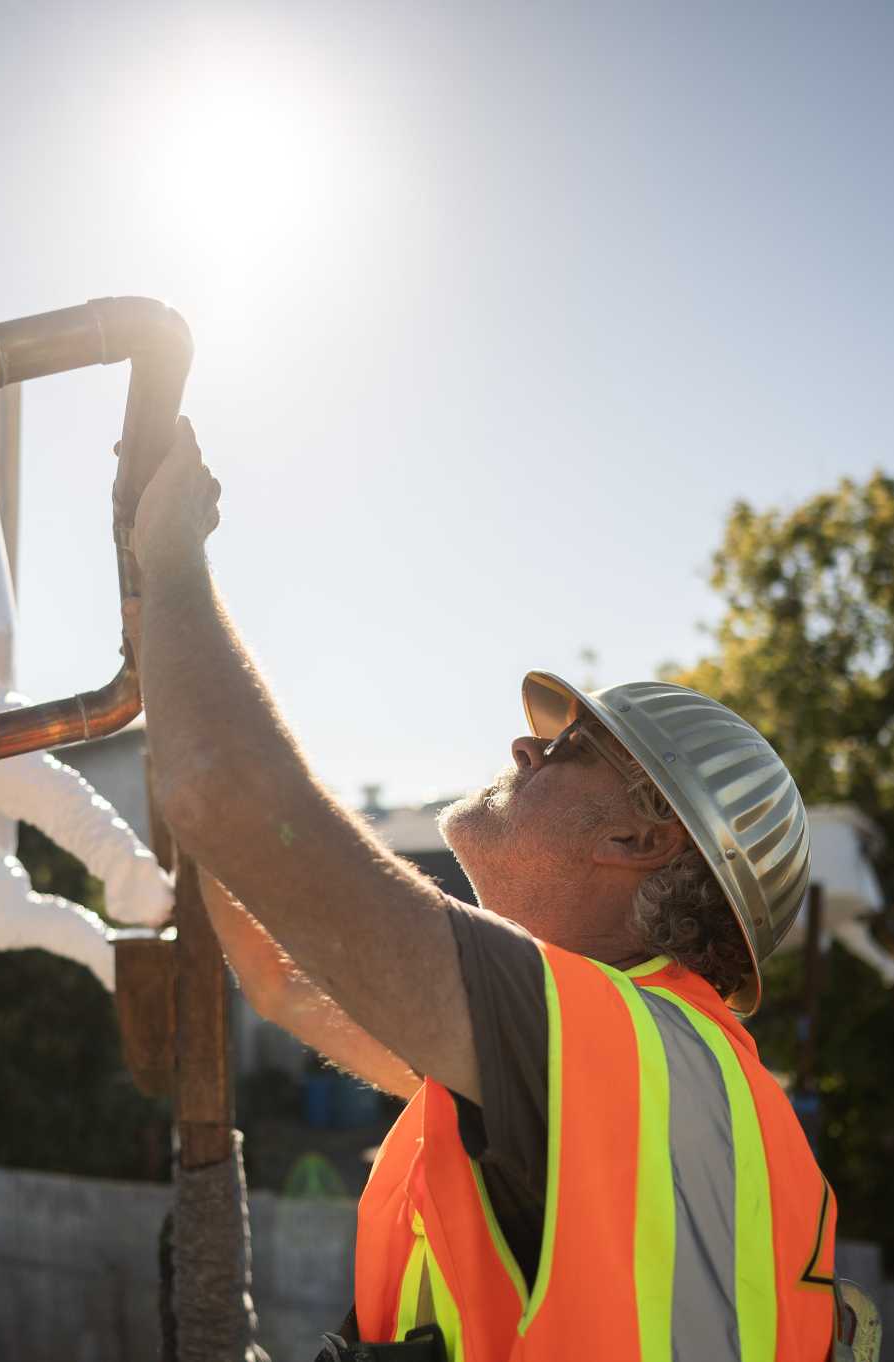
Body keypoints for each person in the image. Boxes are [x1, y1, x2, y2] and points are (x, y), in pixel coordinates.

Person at [127, 418, 842, 1361]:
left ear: (639, 837)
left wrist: (171, 560)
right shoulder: (621, 1078)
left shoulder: (609, 1049)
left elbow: (225, 795)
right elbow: (278, 976)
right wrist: (169, 685)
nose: (523, 745)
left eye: (570, 746)